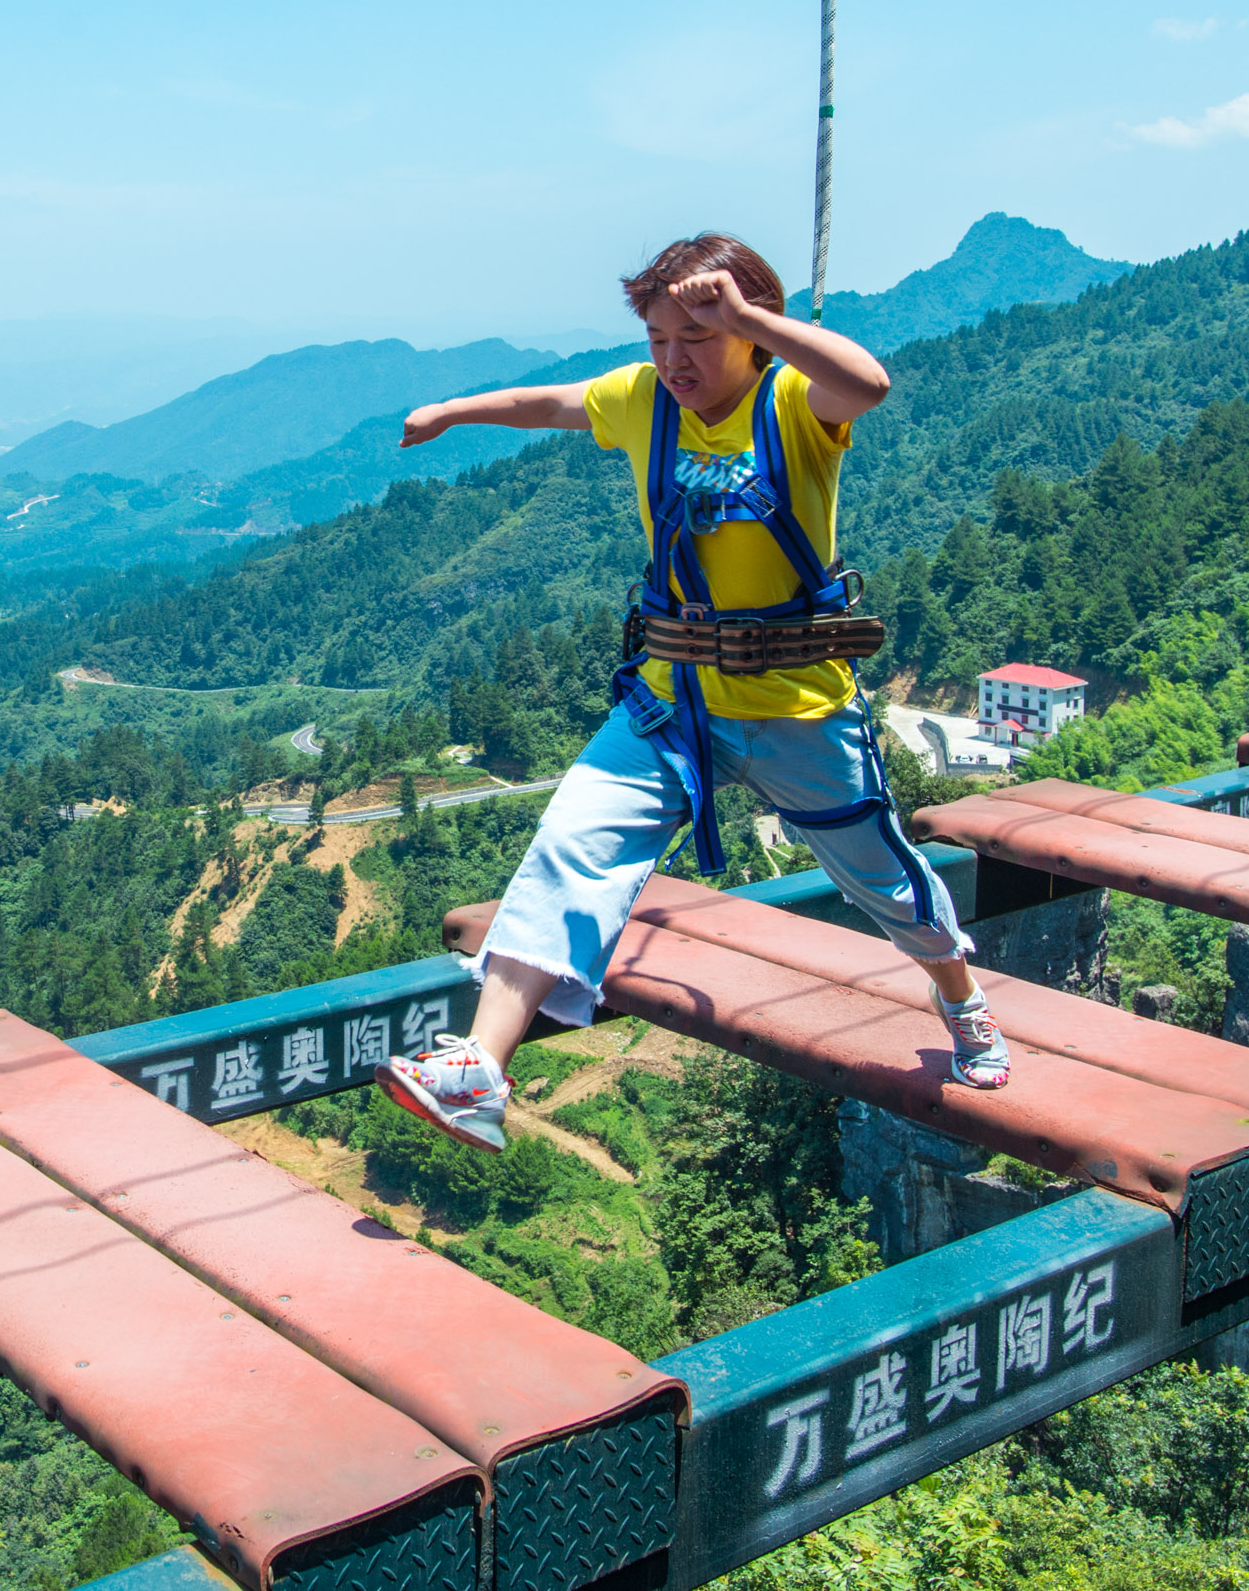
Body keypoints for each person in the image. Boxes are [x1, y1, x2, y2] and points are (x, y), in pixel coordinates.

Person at [376, 234, 1006, 1153]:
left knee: (882, 878)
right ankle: (477, 1067)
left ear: (751, 331)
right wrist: (449, 412)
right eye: (660, 337)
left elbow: (867, 384)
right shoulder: (642, 403)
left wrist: (749, 320)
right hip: (670, 701)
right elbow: (544, 401)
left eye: (698, 338)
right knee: (568, 844)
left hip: (798, 705)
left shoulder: (792, 401)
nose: (674, 360)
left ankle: (962, 997)